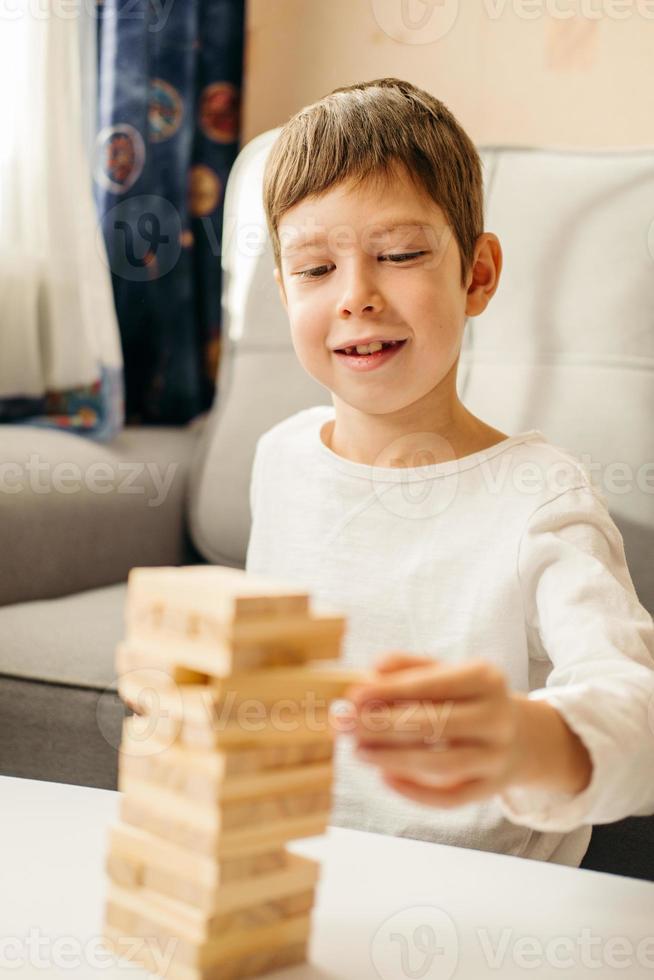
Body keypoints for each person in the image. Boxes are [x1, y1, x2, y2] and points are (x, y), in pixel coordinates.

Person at [245, 77, 654, 866]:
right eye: (316, 269)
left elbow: (636, 707)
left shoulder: (541, 496)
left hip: (484, 906)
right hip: (301, 880)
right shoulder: (281, 458)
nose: (356, 297)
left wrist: (530, 740)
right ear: (283, 290)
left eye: (399, 255)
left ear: (477, 275)